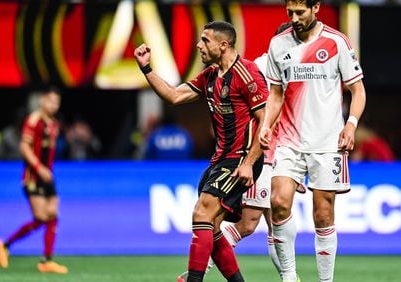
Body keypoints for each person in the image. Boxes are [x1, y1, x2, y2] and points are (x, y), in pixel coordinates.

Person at [134, 21, 268, 282]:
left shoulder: (247, 74)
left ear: (223, 44)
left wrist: (250, 163)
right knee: (213, 226)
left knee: (201, 213)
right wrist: (146, 68)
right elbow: (173, 95)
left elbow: (266, 121)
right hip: (220, 160)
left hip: (241, 158)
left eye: (205, 40)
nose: (199, 45)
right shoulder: (209, 76)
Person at [176, 22, 300, 282]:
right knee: (249, 222)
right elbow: (262, 115)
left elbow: (294, 116)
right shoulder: (260, 67)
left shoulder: (298, 69)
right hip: (259, 153)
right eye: (289, 40)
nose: (292, 45)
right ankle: (202, 268)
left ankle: (289, 278)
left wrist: (294, 162)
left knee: (274, 223)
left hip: (283, 155)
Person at [259, 1, 367, 281]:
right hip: (289, 140)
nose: (294, 18)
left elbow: (357, 90)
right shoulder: (278, 45)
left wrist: (351, 125)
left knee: (323, 214)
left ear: (316, 7)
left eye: (300, 12)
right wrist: (266, 125)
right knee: (278, 201)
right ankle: (290, 276)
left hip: (328, 141)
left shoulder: (336, 42)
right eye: (290, 13)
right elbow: (275, 94)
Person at [0, 87, 68, 274]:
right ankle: (5, 244)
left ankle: (47, 260)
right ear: (42, 100)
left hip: (48, 176)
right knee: (42, 217)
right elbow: (24, 147)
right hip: (33, 176)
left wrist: (47, 170)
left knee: (53, 214)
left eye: (57, 102)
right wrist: (39, 168)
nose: (54, 105)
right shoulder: (34, 120)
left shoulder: (53, 124)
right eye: (51, 101)